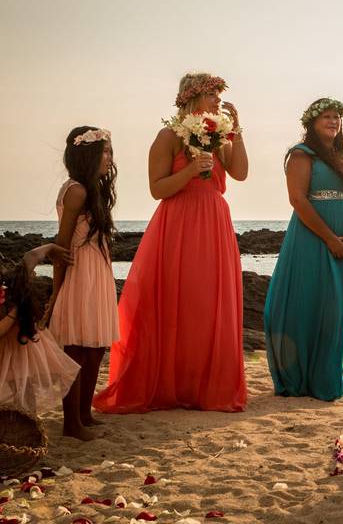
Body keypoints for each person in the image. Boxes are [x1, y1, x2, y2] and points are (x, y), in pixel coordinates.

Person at [93, 72, 248, 413]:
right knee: (176, 300)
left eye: (220, 98)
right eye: (212, 96)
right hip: (178, 222)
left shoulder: (218, 135)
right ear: (191, 99)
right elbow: (157, 189)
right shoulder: (168, 136)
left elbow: (239, 173)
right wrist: (190, 172)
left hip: (214, 221)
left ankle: (201, 387)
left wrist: (238, 132)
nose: (218, 103)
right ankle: (169, 384)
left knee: (208, 303)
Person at [263, 97, 343, 400]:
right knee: (304, 304)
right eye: (326, 116)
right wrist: (328, 238)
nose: (333, 121)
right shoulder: (302, 155)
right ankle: (298, 376)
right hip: (311, 240)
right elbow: (298, 200)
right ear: (312, 122)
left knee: (335, 312)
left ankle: (327, 374)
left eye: (337, 116)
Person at [47, 126, 120, 439]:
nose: (109, 158)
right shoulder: (76, 189)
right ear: (86, 154)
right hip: (81, 275)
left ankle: (84, 414)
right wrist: (55, 293)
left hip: (98, 271)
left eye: (109, 151)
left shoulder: (93, 190)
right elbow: (61, 248)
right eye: (103, 151)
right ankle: (71, 423)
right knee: (76, 348)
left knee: (96, 348)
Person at [0, 244, 80, 419]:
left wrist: (51, 247)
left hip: (23, 350)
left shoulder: (14, 288)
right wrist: (15, 312)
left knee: (25, 391)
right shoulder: (13, 292)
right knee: (19, 391)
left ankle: (30, 425)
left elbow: (31, 256)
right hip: (11, 352)